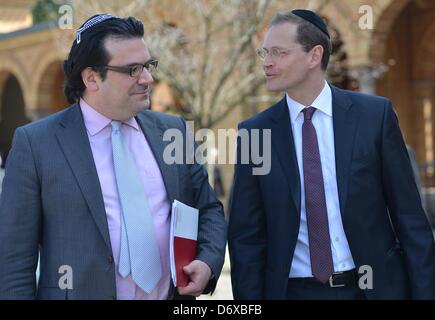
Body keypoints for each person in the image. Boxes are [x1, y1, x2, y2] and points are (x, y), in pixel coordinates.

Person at [0, 14, 227, 300]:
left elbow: (208, 209)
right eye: (132, 69)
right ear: (91, 78)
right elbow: (13, 262)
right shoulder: (36, 145)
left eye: (147, 65)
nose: (148, 78)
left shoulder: (175, 132)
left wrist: (207, 261)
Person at [228, 9, 435, 300]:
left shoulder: (374, 117)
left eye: (279, 52)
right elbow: (245, 238)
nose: (267, 62)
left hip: (371, 290)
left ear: (314, 56)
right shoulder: (254, 133)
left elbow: (411, 219)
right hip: (293, 293)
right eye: (264, 52)